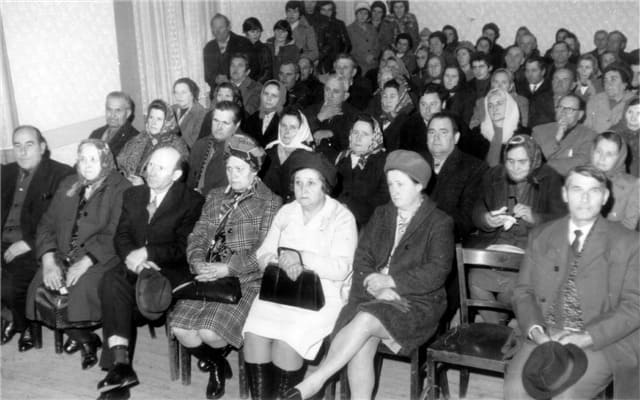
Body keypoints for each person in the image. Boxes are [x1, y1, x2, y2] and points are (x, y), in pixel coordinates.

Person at [286, 150, 454, 399]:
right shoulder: (382, 214)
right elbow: (362, 257)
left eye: (400, 184)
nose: (394, 191)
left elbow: (436, 271)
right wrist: (376, 287)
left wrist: (392, 282)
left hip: (417, 302)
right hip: (374, 294)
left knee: (364, 320)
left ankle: (315, 381)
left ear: (419, 185)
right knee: (362, 339)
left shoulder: (439, 222)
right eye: (390, 184)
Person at [504, 165, 639, 400]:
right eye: (577, 189)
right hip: (545, 331)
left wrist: (587, 337)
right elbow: (523, 292)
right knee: (516, 391)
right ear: (565, 194)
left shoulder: (629, 243)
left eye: (593, 191)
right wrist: (537, 332)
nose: (585, 199)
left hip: (600, 338)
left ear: (605, 197)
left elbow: (634, 306)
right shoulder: (541, 235)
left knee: (566, 394)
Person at [171, 135, 281, 400]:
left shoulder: (270, 202)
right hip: (207, 274)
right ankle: (217, 363)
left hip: (244, 279)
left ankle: (215, 359)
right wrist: (197, 261)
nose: (233, 174)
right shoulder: (215, 195)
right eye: (229, 168)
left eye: (239, 169)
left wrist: (229, 268)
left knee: (210, 332)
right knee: (181, 330)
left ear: (254, 170)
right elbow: (197, 235)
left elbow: (265, 252)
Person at [243, 151, 358, 399]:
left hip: (322, 296)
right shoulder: (287, 212)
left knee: (287, 342)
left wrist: (301, 258)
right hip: (280, 290)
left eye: (311, 183)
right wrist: (281, 262)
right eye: (298, 182)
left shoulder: (341, 217)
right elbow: (264, 253)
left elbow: (342, 268)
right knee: (254, 334)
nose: (303, 189)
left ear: (324, 187)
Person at [96, 146, 204, 400]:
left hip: (168, 270)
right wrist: (134, 259)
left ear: (176, 175)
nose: (152, 172)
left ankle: (119, 370)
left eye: (161, 168)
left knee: (115, 293)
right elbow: (121, 236)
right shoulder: (134, 194)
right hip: (134, 266)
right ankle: (120, 367)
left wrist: (148, 253)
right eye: (151, 165)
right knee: (111, 281)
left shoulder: (192, 201)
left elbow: (184, 248)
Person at [25, 139, 131, 369]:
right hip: (61, 254)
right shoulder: (69, 183)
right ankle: (86, 339)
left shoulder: (121, 187)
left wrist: (85, 263)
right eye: (82, 159)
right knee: (39, 290)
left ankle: (80, 336)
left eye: (94, 159)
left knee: (78, 293)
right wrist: (48, 261)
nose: (87, 164)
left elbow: (116, 233)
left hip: (100, 259)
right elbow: (46, 224)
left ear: (105, 160)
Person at [467, 135, 566, 324]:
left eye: (522, 162)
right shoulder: (494, 175)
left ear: (534, 160)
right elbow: (478, 207)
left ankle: (498, 327)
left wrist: (534, 217)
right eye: (510, 161)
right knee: (475, 280)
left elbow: (562, 222)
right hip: (496, 246)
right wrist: (487, 218)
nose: (515, 167)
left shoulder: (550, 179)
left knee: (513, 289)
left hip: (529, 250)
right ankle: (499, 329)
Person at [1, 126, 73, 351]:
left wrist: (28, 243)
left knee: (9, 287)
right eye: (17, 146)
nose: (22, 152)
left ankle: (23, 325)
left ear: (42, 147)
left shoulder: (61, 174)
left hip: (35, 245)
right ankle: (7, 315)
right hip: (3, 239)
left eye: (29, 145)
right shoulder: (6, 172)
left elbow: (62, 222)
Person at [425, 112, 488, 242]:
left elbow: (466, 221)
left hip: (444, 240)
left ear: (456, 138)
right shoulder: (415, 163)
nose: (436, 137)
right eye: (431, 132)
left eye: (443, 132)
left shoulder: (474, 168)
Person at [334, 114, 389, 228]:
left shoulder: (383, 162)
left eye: (365, 134)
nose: (358, 138)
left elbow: (383, 199)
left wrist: (351, 210)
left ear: (374, 137)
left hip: (366, 225)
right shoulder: (342, 157)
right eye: (355, 133)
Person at [117, 99, 189, 186]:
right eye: (151, 117)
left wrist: (144, 185)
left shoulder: (176, 145)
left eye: (159, 119)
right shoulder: (140, 138)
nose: (153, 123)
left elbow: (175, 180)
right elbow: (121, 163)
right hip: (129, 187)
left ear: (167, 122)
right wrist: (125, 177)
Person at [532, 94, 598, 176]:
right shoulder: (539, 131)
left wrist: (543, 166)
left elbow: (579, 163)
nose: (563, 112)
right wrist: (556, 139)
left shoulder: (589, 135)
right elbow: (534, 158)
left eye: (570, 109)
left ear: (580, 115)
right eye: (560, 107)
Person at [188, 101, 244, 196]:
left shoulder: (242, 152)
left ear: (237, 125)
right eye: (216, 121)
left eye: (225, 123)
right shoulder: (200, 145)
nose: (219, 127)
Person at [262, 107, 314, 201]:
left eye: (292, 127)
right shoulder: (270, 151)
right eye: (283, 126)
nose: (287, 131)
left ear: (301, 130)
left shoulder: (308, 159)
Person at [590, 131, 639, 230]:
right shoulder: (579, 176)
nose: (602, 158)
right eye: (598, 151)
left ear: (620, 157)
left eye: (609, 154)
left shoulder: (633, 185)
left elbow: (628, 228)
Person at [304, 74, 358, 160]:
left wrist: (332, 134)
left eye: (335, 91)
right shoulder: (310, 110)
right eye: (327, 89)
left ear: (345, 96)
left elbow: (350, 144)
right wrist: (319, 118)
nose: (330, 95)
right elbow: (299, 132)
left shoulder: (353, 115)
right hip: (307, 157)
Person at [203, 13, 254, 96]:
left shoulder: (243, 43)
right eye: (214, 28)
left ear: (229, 27)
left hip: (241, 94)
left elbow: (252, 70)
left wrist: (230, 80)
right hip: (217, 94)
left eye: (221, 27)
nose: (217, 31)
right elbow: (207, 75)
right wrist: (216, 79)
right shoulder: (208, 47)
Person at [476, 88, 521, 166]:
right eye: (490, 105)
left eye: (499, 103)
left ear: (509, 106)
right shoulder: (478, 133)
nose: (494, 108)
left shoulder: (522, 134)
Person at [585, 64, 635, 133]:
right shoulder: (594, 100)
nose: (608, 84)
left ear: (625, 84)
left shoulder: (634, 103)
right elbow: (587, 128)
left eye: (613, 79)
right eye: (605, 80)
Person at [89, 92, 139, 158]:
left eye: (118, 110)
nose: (112, 115)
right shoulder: (95, 134)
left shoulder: (135, 140)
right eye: (109, 109)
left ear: (128, 113)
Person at [399, 84, 446, 153]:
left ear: (443, 104)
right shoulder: (409, 126)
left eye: (432, 104)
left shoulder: (453, 124)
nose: (427, 110)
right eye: (423, 104)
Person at [242, 80, 287, 148]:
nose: (268, 99)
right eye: (266, 94)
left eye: (274, 96)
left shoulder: (286, 119)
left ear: (281, 98)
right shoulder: (254, 117)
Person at [314, 1, 351, 74]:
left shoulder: (339, 24)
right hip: (319, 61)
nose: (326, 13)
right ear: (319, 10)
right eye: (323, 10)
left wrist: (340, 59)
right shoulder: (313, 25)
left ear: (333, 11)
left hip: (337, 60)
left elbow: (347, 45)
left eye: (329, 10)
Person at [518, 56, 555, 128]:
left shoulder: (551, 89)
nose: (529, 74)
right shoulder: (519, 88)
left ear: (543, 72)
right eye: (527, 71)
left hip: (543, 128)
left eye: (534, 70)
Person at [378, 79, 414, 151]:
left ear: (401, 98)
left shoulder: (407, 123)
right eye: (385, 96)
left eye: (392, 96)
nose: (388, 101)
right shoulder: (379, 119)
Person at [171, 78, 207, 148]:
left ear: (192, 94)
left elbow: (194, 143)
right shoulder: (171, 109)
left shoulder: (201, 113)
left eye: (183, 92)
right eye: (176, 92)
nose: (179, 96)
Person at [347, 2, 379, 76]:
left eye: (365, 13)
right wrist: (364, 57)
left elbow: (377, 44)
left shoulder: (372, 28)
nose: (363, 16)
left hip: (374, 64)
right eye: (360, 13)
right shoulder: (349, 29)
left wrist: (373, 55)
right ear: (356, 14)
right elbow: (351, 49)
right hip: (359, 65)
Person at [612, 96, 640, 176]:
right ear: (624, 112)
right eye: (630, 112)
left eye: (639, 113)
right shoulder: (614, 133)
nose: (633, 118)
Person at [243, 17, 273, 84]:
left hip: (260, 84)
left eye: (258, 31)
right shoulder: (240, 48)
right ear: (246, 32)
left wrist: (257, 84)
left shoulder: (264, 49)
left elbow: (268, 71)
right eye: (252, 32)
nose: (256, 34)